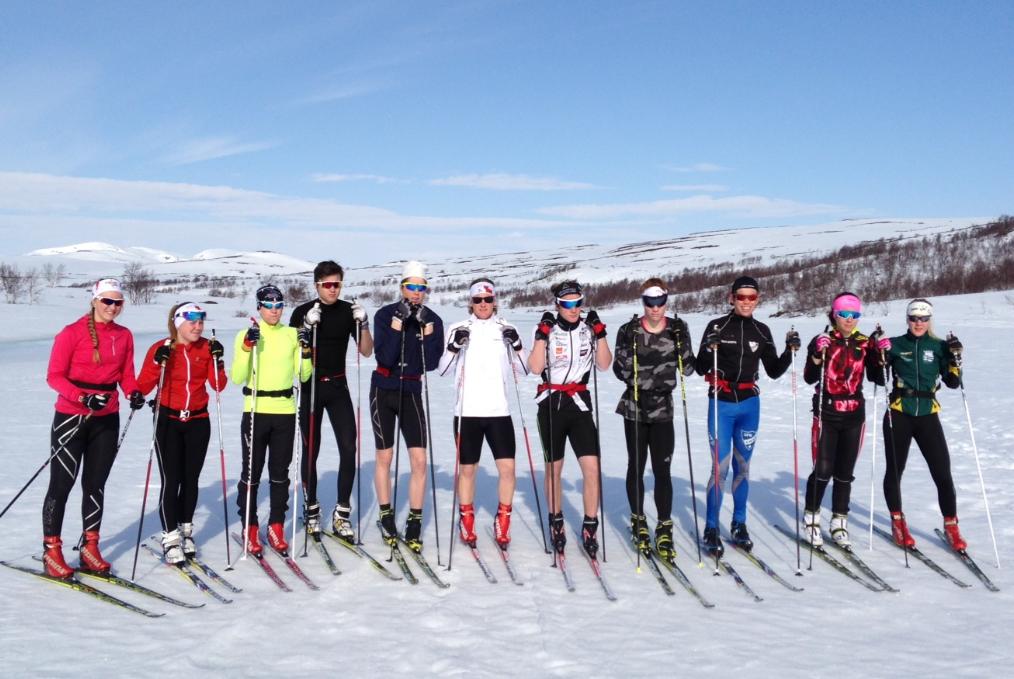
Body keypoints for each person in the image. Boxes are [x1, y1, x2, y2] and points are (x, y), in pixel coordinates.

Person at [42, 278, 145, 578]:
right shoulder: (71, 333)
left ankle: (90, 546)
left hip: (107, 417)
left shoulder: (124, 336)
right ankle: (52, 549)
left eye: (118, 302)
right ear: (94, 301)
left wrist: (133, 392)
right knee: (61, 484)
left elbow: (126, 374)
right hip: (72, 416)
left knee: (95, 484)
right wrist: (83, 397)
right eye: (107, 301)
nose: (112, 307)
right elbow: (54, 376)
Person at [696, 275, 797, 556]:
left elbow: (774, 371)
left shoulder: (762, 331)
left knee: (743, 468)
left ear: (758, 300)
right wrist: (708, 347)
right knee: (720, 469)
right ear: (731, 297)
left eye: (751, 297)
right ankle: (712, 527)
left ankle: (739, 524)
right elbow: (701, 366)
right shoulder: (716, 326)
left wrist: (790, 351)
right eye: (741, 297)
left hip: (750, 405)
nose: (746, 302)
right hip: (722, 404)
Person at [437, 278, 527, 548]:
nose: (483, 305)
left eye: (488, 300)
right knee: (468, 470)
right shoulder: (458, 327)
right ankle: (466, 521)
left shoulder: (505, 327)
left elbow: (524, 370)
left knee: (508, 469)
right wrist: (454, 347)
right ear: (470, 302)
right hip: (467, 412)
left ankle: (503, 521)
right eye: (478, 300)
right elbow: (442, 369)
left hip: (499, 411)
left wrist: (518, 344)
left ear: (495, 301)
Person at [289, 261, 373, 542]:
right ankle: (311, 510)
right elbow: (292, 356)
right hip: (311, 386)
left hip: (338, 386)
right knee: (311, 448)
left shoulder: (349, 312)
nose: (333, 289)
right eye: (327, 285)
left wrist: (363, 324)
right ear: (317, 285)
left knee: (349, 446)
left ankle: (342, 513)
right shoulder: (302, 312)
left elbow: (366, 352)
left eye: (337, 284)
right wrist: (305, 327)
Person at [137, 303, 227, 564]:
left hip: (198, 420)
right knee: (171, 479)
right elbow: (143, 385)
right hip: (168, 420)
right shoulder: (162, 348)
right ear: (178, 323)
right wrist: (157, 362)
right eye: (192, 322)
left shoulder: (206, 348)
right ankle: (171, 536)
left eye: (201, 322)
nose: (198, 327)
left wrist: (217, 360)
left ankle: (186, 530)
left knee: (191, 479)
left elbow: (218, 384)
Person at [528, 280, 612, 558]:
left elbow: (603, 364)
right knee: (554, 469)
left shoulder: (588, 330)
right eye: (567, 304)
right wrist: (541, 336)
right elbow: (535, 367)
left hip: (579, 405)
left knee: (592, 468)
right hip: (551, 404)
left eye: (577, 303)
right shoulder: (548, 330)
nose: (573, 309)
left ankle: (590, 525)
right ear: (557, 305)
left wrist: (601, 334)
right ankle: (556, 521)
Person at [612, 279, 695, 560]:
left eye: (660, 303)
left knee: (662, 470)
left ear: (667, 302)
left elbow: (689, 368)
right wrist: (634, 370)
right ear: (643, 302)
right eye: (650, 302)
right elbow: (618, 368)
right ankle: (638, 520)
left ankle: (664, 525)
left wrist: (683, 343)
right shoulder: (629, 330)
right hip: (634, 407)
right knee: (636, 465)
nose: (656, 308)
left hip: (663, 410)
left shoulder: (677, 329)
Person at [801, 293, 887, 547]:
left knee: (845, 472)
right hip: (827, 411)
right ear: (834, 315)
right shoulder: (823, 340)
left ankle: (839, 521)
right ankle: (811, 518)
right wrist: (817, 354)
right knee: (823, 470)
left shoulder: (863, 343)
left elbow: (878, 378)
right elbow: (808, 376)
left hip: (854, 413)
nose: (849, 320)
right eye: (844, 314)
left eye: (854, 315)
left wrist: (881, 356)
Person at [231, 285, 312, 556]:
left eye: (278, 305)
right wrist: (246, 347)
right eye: (268, 305)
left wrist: (306, 350)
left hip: (285, 410)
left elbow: (303, 375)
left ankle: (276, 525)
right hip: (255, 408)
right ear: (259, 307)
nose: (274, 310)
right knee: (251, 472)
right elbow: (238, 376)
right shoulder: (248, 334)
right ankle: (250, 526)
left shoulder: (291, 334)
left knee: (280, 474)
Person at [881, 298, 967, 550]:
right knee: (895, 471)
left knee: (942, 472)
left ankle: (951, 525)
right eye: (914, 318)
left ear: (930, 320)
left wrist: (955, 359)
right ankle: (898, 522)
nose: (919, 323)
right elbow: (877, 376)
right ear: (907, 319)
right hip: (899, 413)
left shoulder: (939, 346)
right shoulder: (896, 344)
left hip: (928, 414)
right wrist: (880, 354)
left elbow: (952, 382)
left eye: (924, 318)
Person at [370, 261, 444, 552]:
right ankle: (386, 515)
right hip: (384, 389)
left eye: (421, 288)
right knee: (385, 457)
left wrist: (425, 331)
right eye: (411, 287)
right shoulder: (385, 314)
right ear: (402, 288)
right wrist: (397, 327)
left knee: (419, 460)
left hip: (412, 390)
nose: (416, 293)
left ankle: (414, 520)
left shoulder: (432, 320)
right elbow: (385, 357)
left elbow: (431, 363)